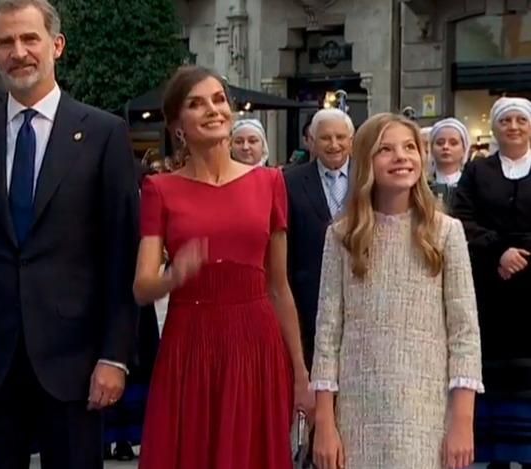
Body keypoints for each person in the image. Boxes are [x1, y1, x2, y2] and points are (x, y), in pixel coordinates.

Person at [0, 0, 140, 467]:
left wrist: (115, 355)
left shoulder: (104, 134)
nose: (18, 52)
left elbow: (120, 255)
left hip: (76, 366)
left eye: (30, 39)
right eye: (6, 42)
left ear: (56, 46)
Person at [133, 65, 312, 468]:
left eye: (218, 100)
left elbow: (279, 287)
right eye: (196, 104)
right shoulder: (159, 189)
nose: (213, 110)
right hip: (190, 347)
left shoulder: (270, 183)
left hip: (256, 347)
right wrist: (173, 276)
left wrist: (301, 374)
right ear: (178, 125)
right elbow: (142, 287)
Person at [311, 112, 483, 469]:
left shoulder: (446, 233)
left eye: (409, 147)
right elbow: (327, 334)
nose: (401, 156)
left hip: (427, 411)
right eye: (385, 149)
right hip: (358, 414)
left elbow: (465, 333)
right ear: (366, 161)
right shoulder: (342, 236)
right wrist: (325, 423)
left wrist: (462, 421)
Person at [454, 97, 531, 469]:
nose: (513, 127)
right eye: (506, 120)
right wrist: (500, 252)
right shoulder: (477, 171)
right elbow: (462, 219)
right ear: (496, 127)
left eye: (520, 120)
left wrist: (521, 258)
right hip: (489, 292)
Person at [284, 108, 355, 369]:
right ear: (311, 141)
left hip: (360, 297)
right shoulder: (289, 181)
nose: (334, 144)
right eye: (325, 138)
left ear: (351, 139)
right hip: (309, 301)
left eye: (340, 137)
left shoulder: (370, 178)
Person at [428, 118, 471, 212]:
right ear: (431, 149)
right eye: (440, 143)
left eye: (453, 143)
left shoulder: (472, 185)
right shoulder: (423, 185)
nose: (446, 147)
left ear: (464, 149)